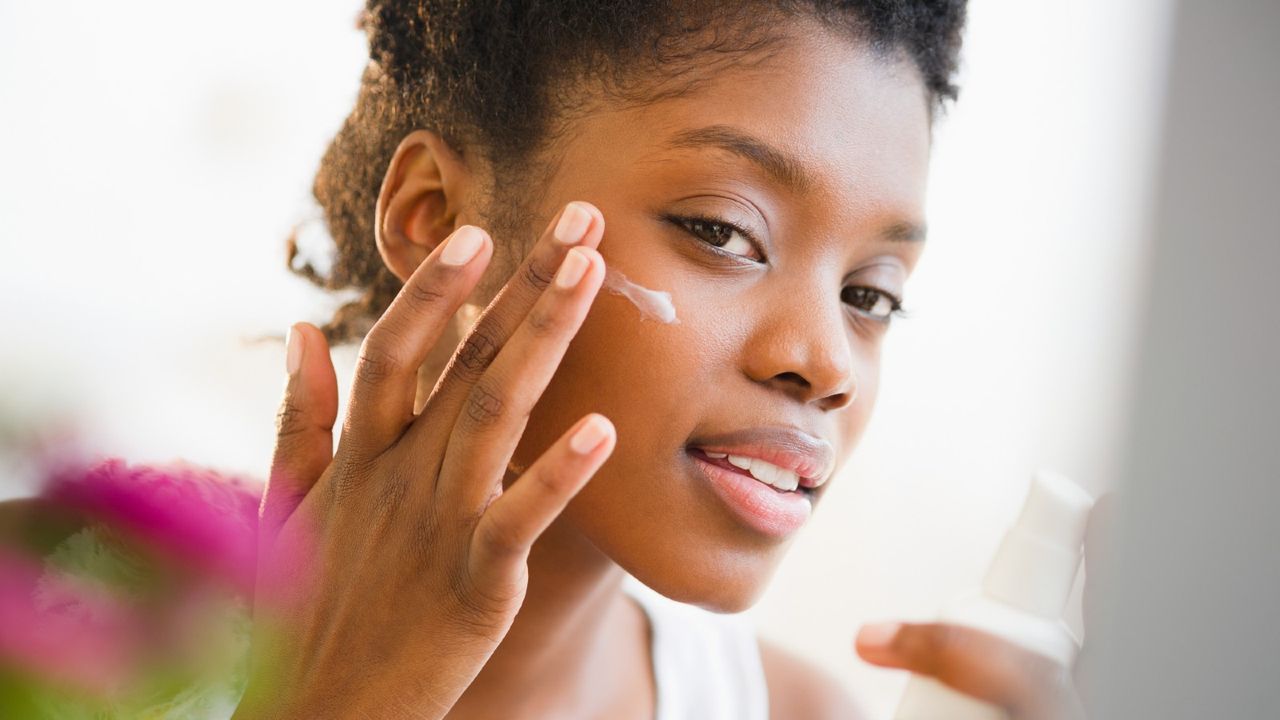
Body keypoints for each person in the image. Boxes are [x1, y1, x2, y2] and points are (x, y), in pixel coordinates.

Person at [0, 1, 1096, 718]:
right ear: (437, 219)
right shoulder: (73, 610)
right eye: (722, 231)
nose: (823, 364)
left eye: (870, 296)